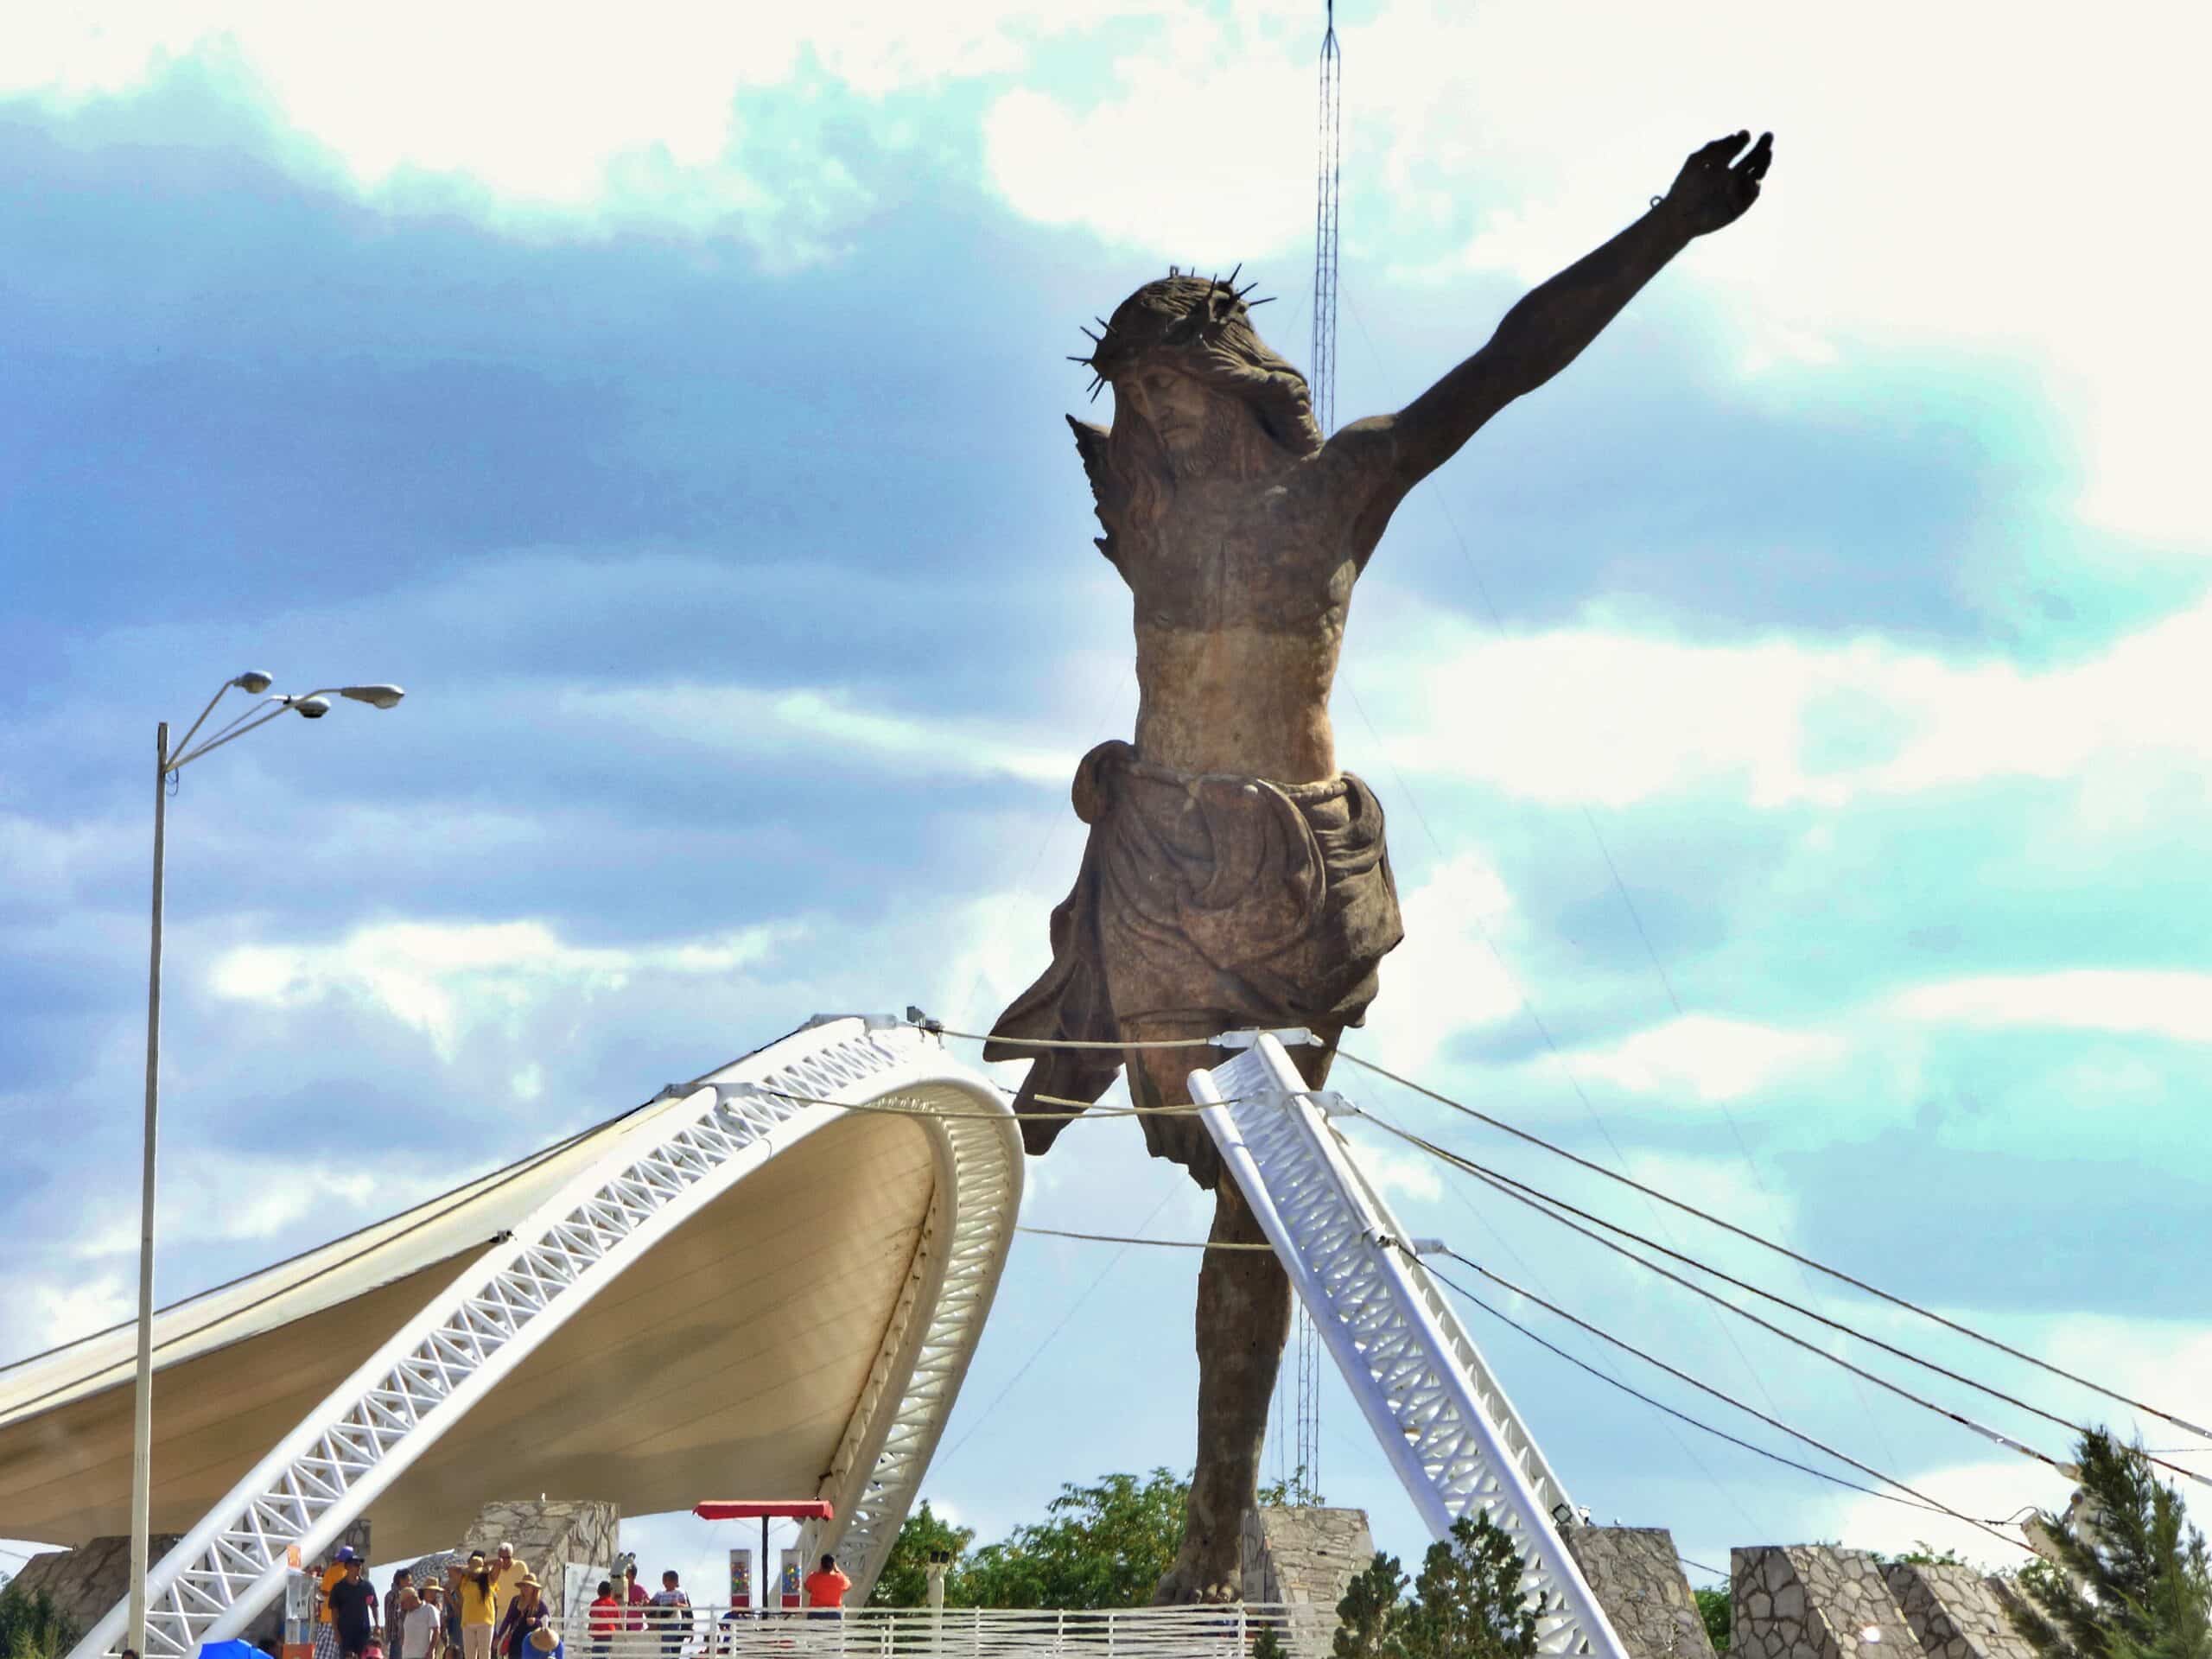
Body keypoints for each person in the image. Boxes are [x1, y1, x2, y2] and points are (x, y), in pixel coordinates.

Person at [327, 1553, 381, 1659]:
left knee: (363, 1656)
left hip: (363, 1632)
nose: (359, 1567)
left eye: (360, 1564)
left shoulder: (367, 1586)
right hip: (345, 1633)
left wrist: (377, 1624)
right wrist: (336, 1631)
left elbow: (374, 1606)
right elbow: (334, 1612)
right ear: (347, 1567)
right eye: (356, 1564)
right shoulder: (338, 1587)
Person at [455, 1552, 500, 1659]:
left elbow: (499, 1562)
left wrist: (483, 1564)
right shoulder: (465, 1581)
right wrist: (470, 1567)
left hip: (485, 1621)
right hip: (468, 1621)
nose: (474, 1573)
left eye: (476, 1571)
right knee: (469, 1655)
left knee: (484, 1653)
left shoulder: (489, 1579)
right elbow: (453, 1569)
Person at [493, 1576, 548, 1659]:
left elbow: (546, 1624)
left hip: (532, 1642)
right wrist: (499, 1636)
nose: (525, 1588)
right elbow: (508, 1619)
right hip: (515, 1640)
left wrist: (536, 1621)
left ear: (534, 1588)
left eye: (528, 1585)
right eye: (523, 1585)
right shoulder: (515, 1601)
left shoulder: (540, 1605)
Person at [647, 1572, 689, 1656]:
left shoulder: (679, 1592)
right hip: (663, 1623)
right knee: (662, 1645)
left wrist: (678, 1605)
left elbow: (686, 1606)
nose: (665, 1583)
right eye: (664, 1580)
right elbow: (651, 1603)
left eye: (668, 1580)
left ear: (675, 1582)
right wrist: (644, 1603)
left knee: (665, 1644)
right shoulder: (660, 1594)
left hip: (674, 1623)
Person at [801, 1557, 849, 1622]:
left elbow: (807, 1588)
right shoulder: (840, 1579)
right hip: (833, 1617)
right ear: (833, 1566)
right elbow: (848, 1586)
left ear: (821, 1565)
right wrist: (837, 1570)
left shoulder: (813, 1577)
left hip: (815, 1615)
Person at [492, 1545, 533, 1618]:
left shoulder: (521, 1566)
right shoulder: (495, 1569)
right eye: (502, 1558)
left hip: (518, 1613)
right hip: (501, 1615)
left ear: (512, 1556)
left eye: (508, 1557)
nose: (505, 1560)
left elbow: (528, 1587)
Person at [385, 1568, 416, 1655]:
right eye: (408, 1580)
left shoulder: (405, 1595)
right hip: (397, 1638)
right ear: (401, 1581)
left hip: (405, 1638)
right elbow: (394, 1617)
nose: (411, 1583)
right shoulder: (392, 1596)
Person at [587, 1580, 620, 1659]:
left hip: (599, 1636)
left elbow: (593, 1619)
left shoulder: (595, 1604)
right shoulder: (613, 1604)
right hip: (610, 1636)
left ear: (598, 1591)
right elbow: (618, 1622)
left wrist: (589, 1630)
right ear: (610, 1593)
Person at [620, 1566, 649, 1637]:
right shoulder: (619, 1590)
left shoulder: (639, 1589)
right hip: (621, 1628)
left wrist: (641, 1604)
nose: (624, 1579)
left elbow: (647, 1605)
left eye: (627, 1577)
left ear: (634, 1577)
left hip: (635, 1629)